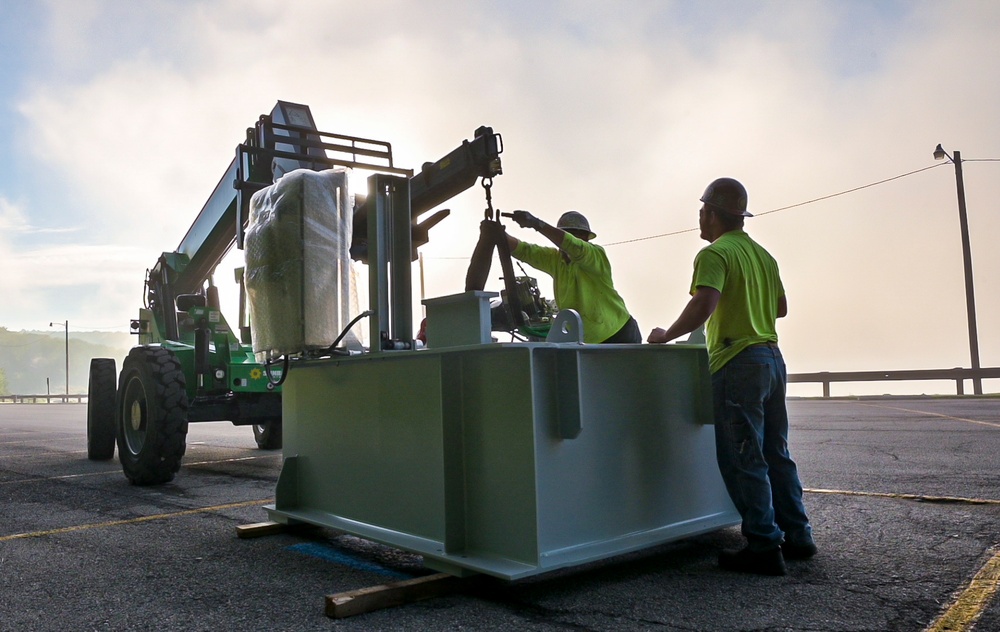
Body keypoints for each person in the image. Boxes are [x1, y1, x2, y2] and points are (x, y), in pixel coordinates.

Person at [647, 177, 815, 576]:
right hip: (772, 358)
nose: (699, 221)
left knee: (743, 457)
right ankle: (799, 535)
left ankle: (762, 544)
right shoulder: (763, 256)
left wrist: (665, 335)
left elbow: (704, 302)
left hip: (738, 360)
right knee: (777, 453)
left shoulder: (715, 253)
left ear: (711, 213)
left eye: (701, 212)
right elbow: (781, 308)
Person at [505, 210, 640, 344]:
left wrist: (537, 224)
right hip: (587, 342)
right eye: (569, 234)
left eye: (578, 235)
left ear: (586, 238)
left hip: (618, 334)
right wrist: (500, 235)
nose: (572, 239)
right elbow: (525, 250)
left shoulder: (595, 255)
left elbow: (573, 245)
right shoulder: (555, 260)